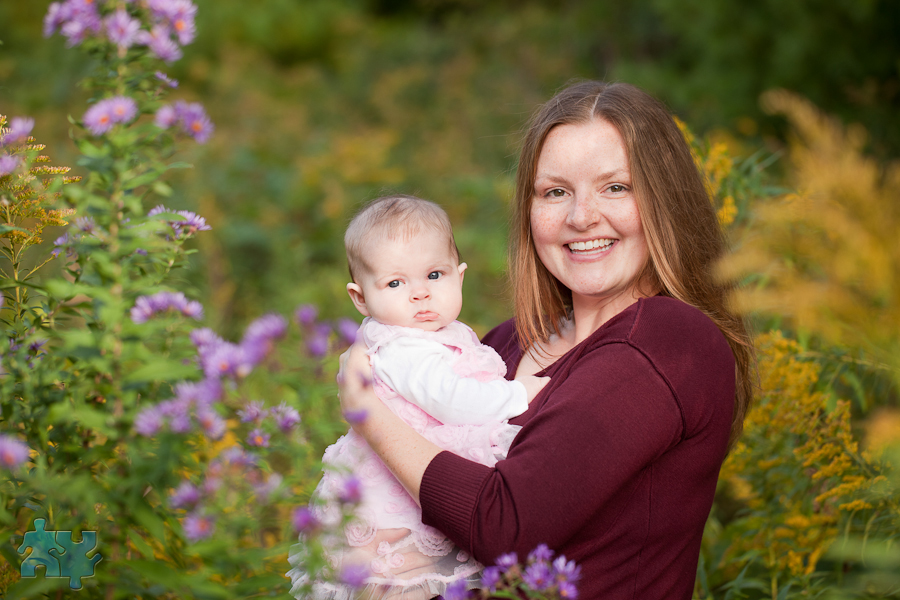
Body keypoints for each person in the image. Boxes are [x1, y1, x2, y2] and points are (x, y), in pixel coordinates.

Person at [336, 81, 755, 599]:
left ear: (664, 200)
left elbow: (504, 526)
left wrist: (365, 410)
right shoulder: (504, 343)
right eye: (555, 192)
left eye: (615, 187)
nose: (581, 217)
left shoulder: (669, 342)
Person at [288, 195, 549, 599]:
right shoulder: (401, 347)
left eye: (434, 275)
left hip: (420, 493)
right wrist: (518, 393)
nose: (419, 294)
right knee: (400, 584)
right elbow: (451, 400)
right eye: (395, 283)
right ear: (360, 298)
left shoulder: (436, 335)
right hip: (395, 512)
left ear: (459, 277)